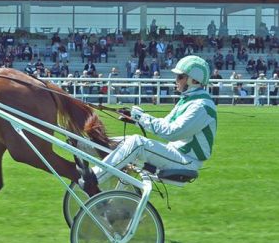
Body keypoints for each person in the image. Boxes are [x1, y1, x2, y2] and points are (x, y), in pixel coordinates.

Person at [86, 55, 217, 189]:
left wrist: (141, 117)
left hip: (186, 161)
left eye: (180, 77)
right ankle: (83, 146)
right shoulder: (188, 100)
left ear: (194, 80)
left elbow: (171, 132)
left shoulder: (201, 106)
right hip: (175, 153)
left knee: (138, 143)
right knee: (128, 141)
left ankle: (93, 178)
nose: (176, 80)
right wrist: (134, 119)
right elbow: (165, 123)